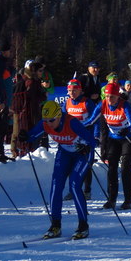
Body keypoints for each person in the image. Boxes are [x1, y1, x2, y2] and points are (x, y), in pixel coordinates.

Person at [20, 100, 95, 240]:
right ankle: (55, 225)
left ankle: (83, 225)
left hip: (82, 153)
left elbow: (92, 140)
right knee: (56, 185)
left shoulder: (71, 122)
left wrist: (86, 147)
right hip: (65, 152)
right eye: (46, 120)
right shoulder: (45, 124)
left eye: (52, 120)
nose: (48, 123)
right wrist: (24, 136)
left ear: (59, 116)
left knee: (74, 185)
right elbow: (32, 135)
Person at [87, 82, 131, 210]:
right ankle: (112, 199)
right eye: (107, 96)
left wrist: (127, 130)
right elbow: (91, 120)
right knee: (112, 168)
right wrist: (77, 127)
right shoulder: (103, 104)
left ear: (118, 96)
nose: (109, 99)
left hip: (128, 138)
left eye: (112, 97)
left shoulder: (124, 105)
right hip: (114, 139)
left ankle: (128, 200)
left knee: (125, 169)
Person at [63, 78, 98, 200]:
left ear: (80, 90)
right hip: (71, 139)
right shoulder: (67, 103)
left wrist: (96, 136)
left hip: (86, 138)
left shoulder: (87, 103)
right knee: (71, 165)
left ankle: (87, 191)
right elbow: (63, 120)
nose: (72, 93)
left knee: (86, 165)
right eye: (70, 90)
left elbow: (96, 120)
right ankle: (72, 190)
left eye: (74, 90)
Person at [11, 61, 45, 156]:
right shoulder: (30, 81)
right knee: (24, 132)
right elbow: (32, 98)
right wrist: (43, 96)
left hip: (25, 111)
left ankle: (20, 150)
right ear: (35, 71)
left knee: (20, 131)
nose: (42, 73)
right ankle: (22, 151)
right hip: (26, 112)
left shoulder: (30, 79)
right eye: (40, 71)